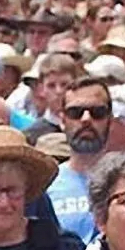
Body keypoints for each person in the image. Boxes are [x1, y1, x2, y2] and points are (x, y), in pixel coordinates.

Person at [47, 77, 114, 241]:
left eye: (97, 112)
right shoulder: (46, 184)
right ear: (62, 120)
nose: (86, 119)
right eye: (75, 113)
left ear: (110, 120)